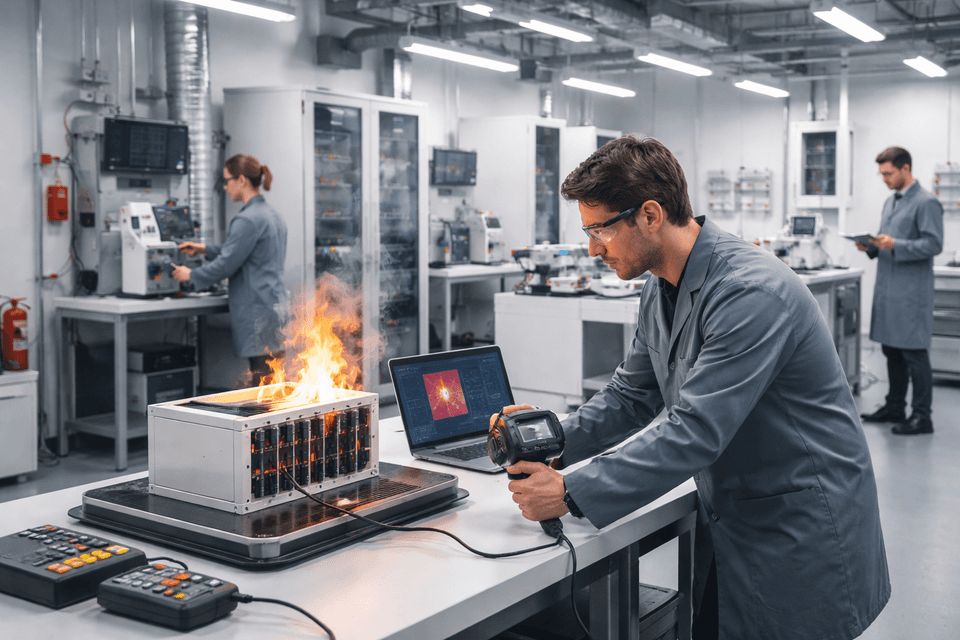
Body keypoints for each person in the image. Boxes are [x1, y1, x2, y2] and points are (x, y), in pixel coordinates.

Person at [494, 136, 889, 640]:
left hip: (798, 522)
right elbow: (631, 395)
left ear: (651, 215)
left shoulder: (750, 291)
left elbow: (695, 429)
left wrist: (570, 492)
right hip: (737, 511)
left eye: (599, 230)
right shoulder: (661, 284)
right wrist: (550, 444)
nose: (593, 249)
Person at [172, 153, 288, 385]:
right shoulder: (272, 215)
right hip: (275, 307)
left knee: (262, 386)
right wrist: (204, 249)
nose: (225, 187)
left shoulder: (247, 219)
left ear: (242, 180)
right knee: (271, 381)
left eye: (227, 181)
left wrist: (191, 275)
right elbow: (244, 251)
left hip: (257, 312)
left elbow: (226, 265)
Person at [857, 147, 943, 435]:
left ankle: (922, 416)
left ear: (905, 169)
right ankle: (895, 407)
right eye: (881, 174)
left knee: (915, 356)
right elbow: (887, 242)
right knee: (891, 351)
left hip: (910, 295)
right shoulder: (890, 202)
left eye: (888, 173)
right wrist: (870, 247)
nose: (884, 179)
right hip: (888, 290)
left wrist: (896, 245)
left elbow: (933, 245)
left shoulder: (926, 202)